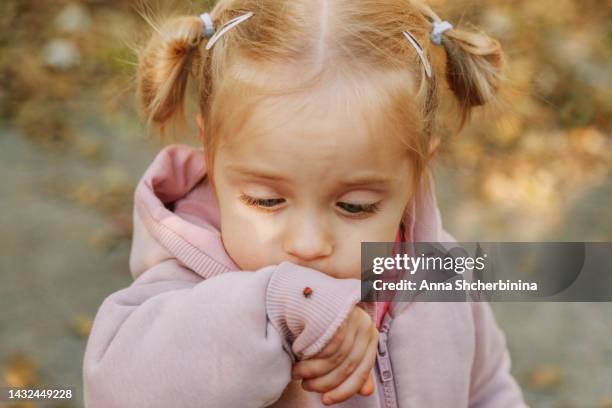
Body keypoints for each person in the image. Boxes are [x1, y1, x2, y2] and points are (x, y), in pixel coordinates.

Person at [83, 0, 527, 406]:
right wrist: (283, 306)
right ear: (211, 152)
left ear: (416, 171)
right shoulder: (186, 282)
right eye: (267, 200)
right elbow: (116, 390)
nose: (308, 244)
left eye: (355, 206)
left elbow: (487, 386)